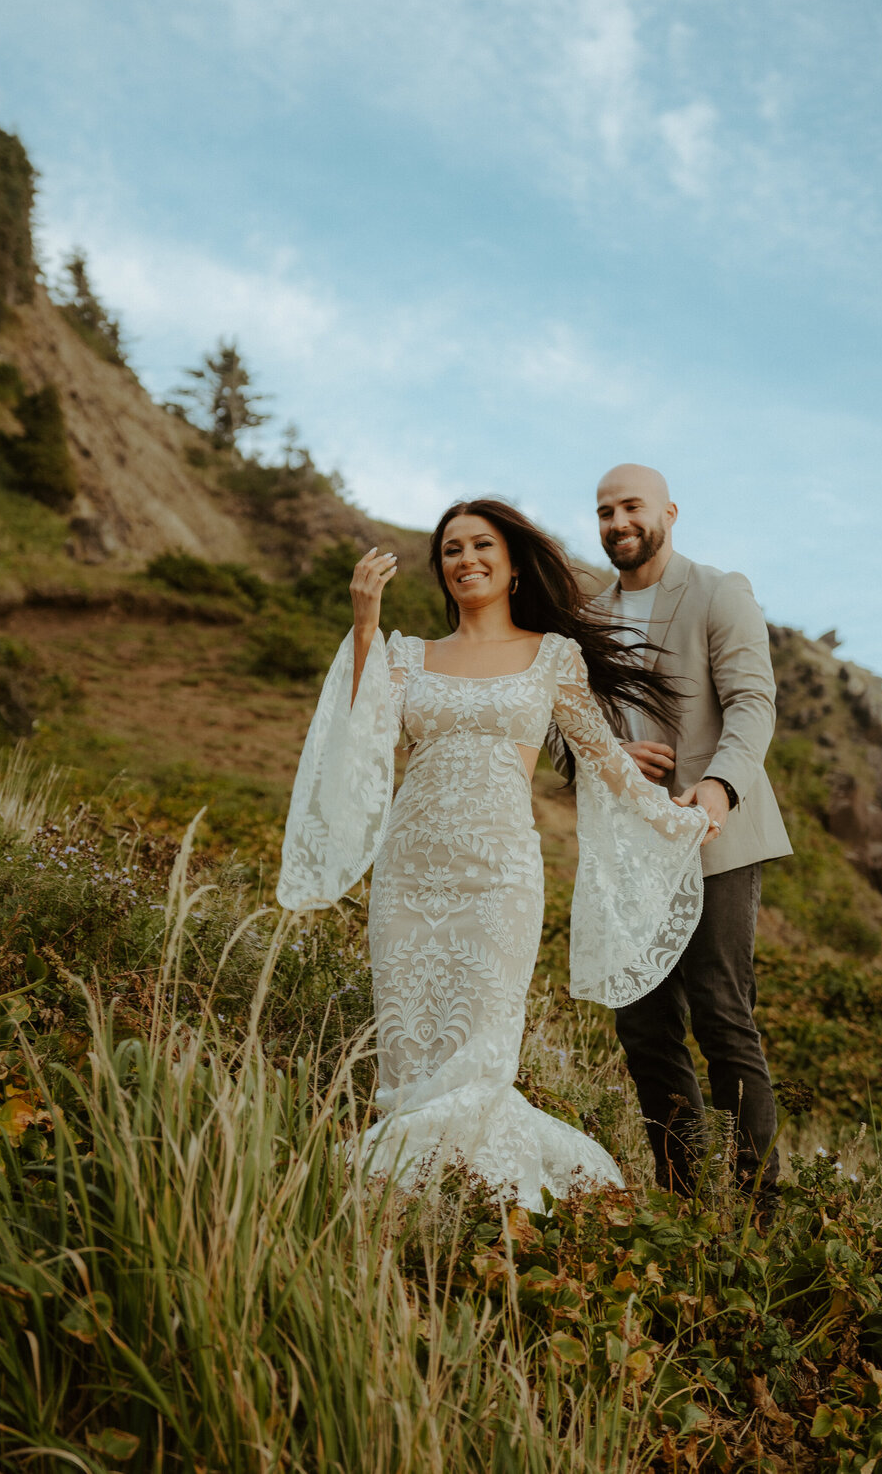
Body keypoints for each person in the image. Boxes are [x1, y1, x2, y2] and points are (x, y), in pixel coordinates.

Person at [276, 498, 713, 1208]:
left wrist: (675, 819)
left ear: (512, 567)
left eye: (482, 546)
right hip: (410, 878)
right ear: (440, 568)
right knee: (411, 1060)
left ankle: (482, 1204)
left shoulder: (552, 656)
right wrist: (364, 625)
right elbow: (359, 738)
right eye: (451, 549)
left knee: (479, 1059)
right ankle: (411, 1202)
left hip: (499, 881)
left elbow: (601, 756)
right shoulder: (407, 654)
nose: (466, 559)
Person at [552, 463, 792, 1201]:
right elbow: (563, 732)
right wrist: (606, 752)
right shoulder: (585, 618)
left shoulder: (720, 592)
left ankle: (759, 1211)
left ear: (669, 512)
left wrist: (718, 787)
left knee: (723, 1015)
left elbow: (753, 702)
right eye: (603, 512)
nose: (617, 522)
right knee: (645, 1031)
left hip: (712, 832)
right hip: (628, 851)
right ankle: (684, 1199)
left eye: (631, 507)